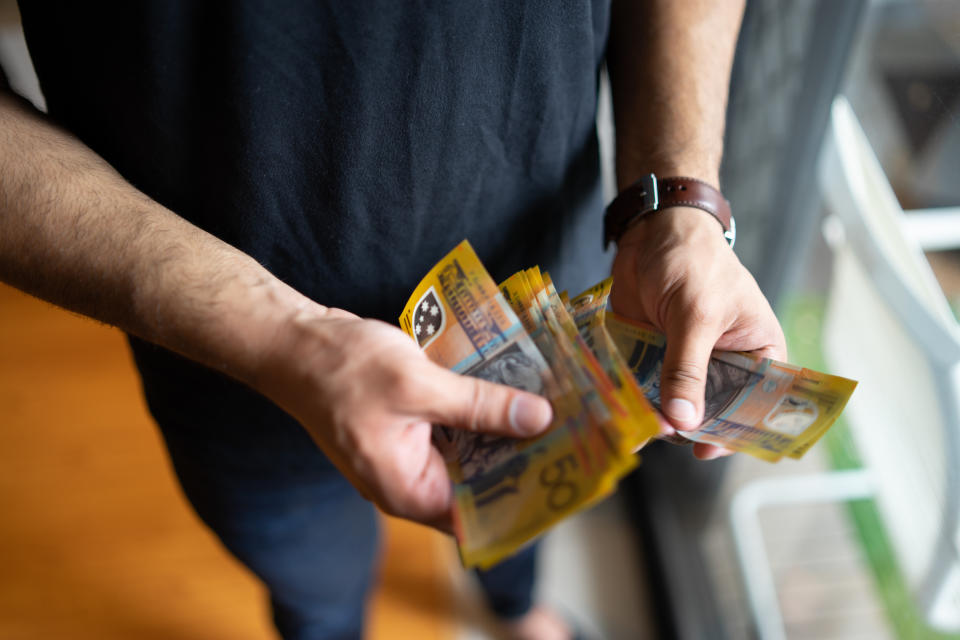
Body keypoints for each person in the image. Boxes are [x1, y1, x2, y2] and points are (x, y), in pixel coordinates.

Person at [0, 1, 786, 639]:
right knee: (315, 585)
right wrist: (276, 335)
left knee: (530, 502)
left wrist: (680, 199)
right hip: (236, 362)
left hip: (543, 275)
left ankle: (513, 607)